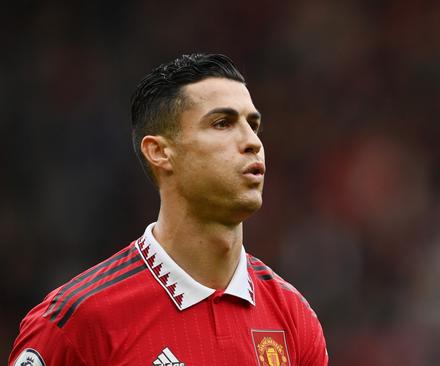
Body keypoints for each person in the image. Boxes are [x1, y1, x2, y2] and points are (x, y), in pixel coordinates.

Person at [9, 53, 328, 365]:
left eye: (253, 125)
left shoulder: (293, 317)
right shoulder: (79, 321)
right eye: (222, 123)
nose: (252, 142)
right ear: (160, 152)